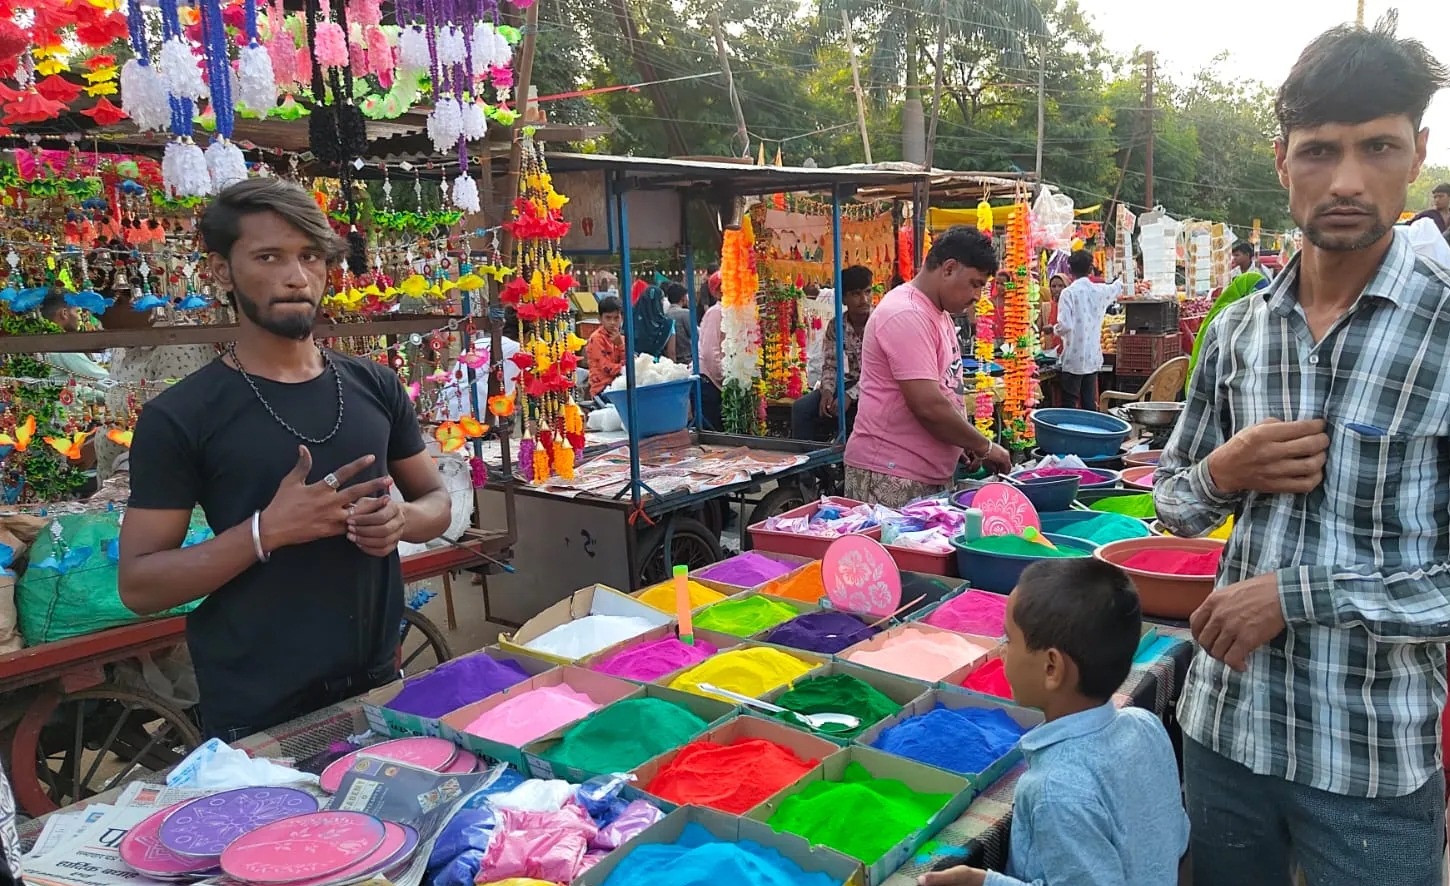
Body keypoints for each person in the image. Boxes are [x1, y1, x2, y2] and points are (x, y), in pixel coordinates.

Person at [1154, 21, 1449, 886]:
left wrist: (1299, 594)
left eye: (1379, 147)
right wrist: (1225, 470)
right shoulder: (1240, 327)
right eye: (1320, 150)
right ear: (1283, 161)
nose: (1349, 180)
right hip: (1224, 732)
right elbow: (1174, 500)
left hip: (1370, 763)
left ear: (1418, 153)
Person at [118, 178, 452, 741]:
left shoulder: (375, 385)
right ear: (222, 271)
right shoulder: (182, 416)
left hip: (378, 683)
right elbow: (140, 585)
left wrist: (402, 520)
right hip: (257, 710)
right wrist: (265, 532)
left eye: (310, 257)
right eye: (269, 257)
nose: (297, 277)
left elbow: (436, 503)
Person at [921, 560, 1189, 886]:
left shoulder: (1054, 790)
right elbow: (1177, 836)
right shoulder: (1145, 724)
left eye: (1010, 640)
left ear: (1051, 668)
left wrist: (984, 882)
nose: (1002, 653)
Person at [845, 226, 1011, 507]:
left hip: (923, 475)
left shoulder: (938, 312)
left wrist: (961, 441)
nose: (977, 296)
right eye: (975, 283)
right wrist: (984, 445)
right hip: (892, 475)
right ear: (948, 268)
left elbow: (945, 390)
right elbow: (928, 405)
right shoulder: (906, 313)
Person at [791, 265, 871, 441]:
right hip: (846, 384)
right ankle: (809, 467)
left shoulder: (879, 323)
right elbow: (831, 364)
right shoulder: (836, 326)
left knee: (855, 416)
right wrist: (827, 392)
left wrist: (850, 396)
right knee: (801, 409)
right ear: (843, 298)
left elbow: (878, 373)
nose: (864, 299)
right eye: (856, 294)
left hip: (874, 389)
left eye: (867, 292)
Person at [1053, 250, 1123, 411]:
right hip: (1092, 356)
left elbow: (1065, 325)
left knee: (1070, 403)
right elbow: (1116, 288)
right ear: (1090, 268)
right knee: (1089, 402)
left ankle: (1070, 433)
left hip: (1073, 357)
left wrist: (1055, 330)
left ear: (1070, 270)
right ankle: (1089, 433)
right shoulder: (1099, 290)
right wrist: (1121, 276)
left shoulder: (1068, 293)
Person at [39, 288, 109, 399]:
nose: (79, 318)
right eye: (77, 312)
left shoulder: (41, 339)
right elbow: (103, 379)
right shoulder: (59, 344)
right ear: (64, 314)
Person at [586, 295, 625, 398]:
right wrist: (623, 368)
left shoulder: (621, 338)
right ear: (600, 319)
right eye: (608, 318)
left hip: (619, 386)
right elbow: (606, 367)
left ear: (622, 319)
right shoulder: (596, 339)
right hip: (602, 389)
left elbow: (629, 360)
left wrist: (620, 345)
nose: (612, 322)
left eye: (616, 318)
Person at [697, 300, 725, 430]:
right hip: (709, 381)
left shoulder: (727, 313)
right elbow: (710, 352)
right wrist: (723, 377)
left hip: (717, 381)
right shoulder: (716, 312)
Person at [632, 284, 676, 361]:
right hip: (656, 368)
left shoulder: (631, 320)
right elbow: (671, 352)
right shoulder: (667, 324)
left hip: (634, 365)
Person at [663, 282, 693, 363]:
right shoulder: (685, 313)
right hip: (687, 358)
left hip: (669, 359)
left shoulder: (665, 315)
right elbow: (695, 335)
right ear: (683, 298)